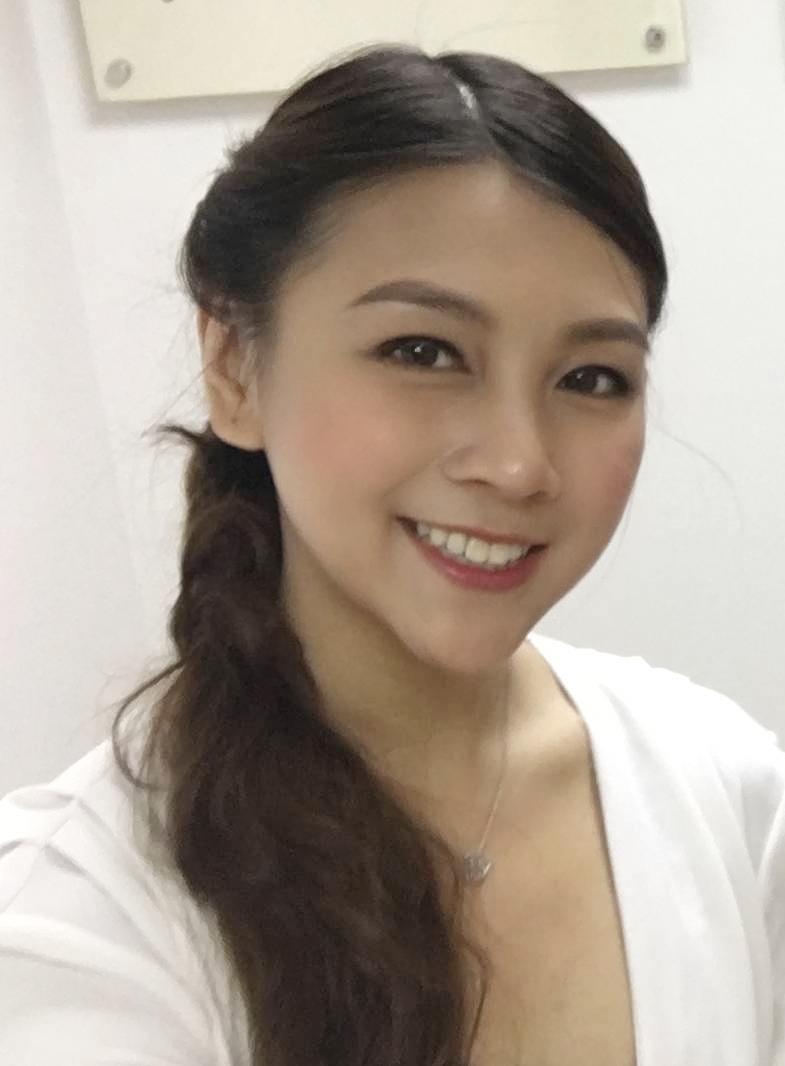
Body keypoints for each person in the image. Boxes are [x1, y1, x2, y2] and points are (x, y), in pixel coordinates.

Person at [0, 42, 782, 1066]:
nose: (517, 463)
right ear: (233, 366)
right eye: (422, 351)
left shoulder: (724, 793)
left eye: (590, 377)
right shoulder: (81, 918)